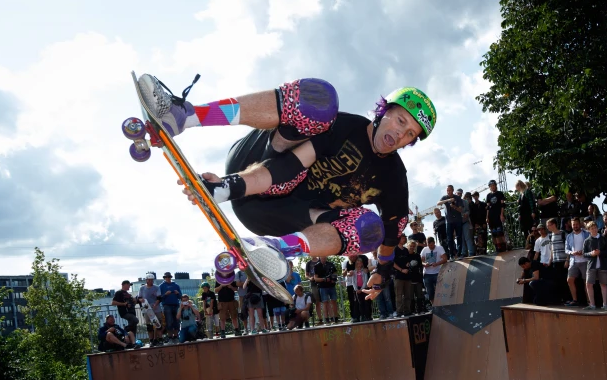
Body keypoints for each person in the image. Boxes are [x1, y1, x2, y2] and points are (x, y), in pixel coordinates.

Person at [142, 74, 437, 302]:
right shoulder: (344, 128)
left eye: (409, 134)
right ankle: (187, 115)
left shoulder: (394, 179)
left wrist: (382, 274)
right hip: (259, 163)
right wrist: (227, 188)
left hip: (274, 217)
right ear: (383, 111)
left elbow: (390, 237)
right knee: (320, 100)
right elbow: (287, 168)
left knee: (371, 229)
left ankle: (277, 248)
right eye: (399, 120)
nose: (399, 133)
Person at [583, 221, 607, 310]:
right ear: (588, 230)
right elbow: (584, 254)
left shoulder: (603, 238)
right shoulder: (587, 241)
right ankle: (592, 304)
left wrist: (600, 253)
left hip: (603, 265)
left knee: (603, 284)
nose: (594, 230)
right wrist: (591, 254)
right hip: (591, 265)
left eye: (595, 228)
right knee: (589, 284)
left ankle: (605, 304)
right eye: (591, 228)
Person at [564, 217, 590, 306]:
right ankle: (575, 300)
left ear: (580, 224)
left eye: (576, 224)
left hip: (585, 260)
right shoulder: (569, 236)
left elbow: (591, 245)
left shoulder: (587, 234)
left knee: (586, 281)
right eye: (573, 225)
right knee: (570, 280)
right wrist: (572, 252)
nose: (575, 226)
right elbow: (566, 250)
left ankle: (589, 301)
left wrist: (584, 252)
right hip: (573, 261)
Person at [437, 185, 463, 258]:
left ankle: (459, 253)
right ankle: (451, 254)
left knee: (459, 237)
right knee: (449, 238)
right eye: (447, 190)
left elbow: (461, 210)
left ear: (453, 190)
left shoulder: (457, 198)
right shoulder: (445, 197)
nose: (448, 192)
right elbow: (438, 203)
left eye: (450, 190)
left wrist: (454, 206)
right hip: (449, 221)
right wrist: (448, 200)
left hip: (458, 220)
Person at [420, 237, 447, 305]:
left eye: (431, 245)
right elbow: (421, 261)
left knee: (441, 290)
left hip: (438, 272)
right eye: (429, 245)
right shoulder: (424, 249)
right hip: (427, 274)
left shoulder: (439, 248)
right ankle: (434, 306)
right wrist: (424, 264)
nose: (430, 247)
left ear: (434, 243)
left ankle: (442, 304)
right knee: (430, 292)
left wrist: (437, 263)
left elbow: (445, 259)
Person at [137, 273, 162, 345]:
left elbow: (159, 298)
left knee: (158, 324)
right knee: (149, 325)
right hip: (147, 308)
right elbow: (139, 297)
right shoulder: (142, 288)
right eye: (150, 280)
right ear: (147, 280)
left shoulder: (156, 287)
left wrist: (156, 304)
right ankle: (151, 340)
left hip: (156, 308)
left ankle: (159, 339)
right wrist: (141, 300)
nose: (151, 281)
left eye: (152, 280)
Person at [313, 256, 339, 324]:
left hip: (331, 285)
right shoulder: (317, 266)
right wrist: (324, 279)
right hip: (322, 286)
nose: (323, 259)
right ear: (320, 258)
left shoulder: (331, 264)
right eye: (322, 257)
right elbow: (315, 278)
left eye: (324, 257)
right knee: (325, 302)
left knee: (334, 301)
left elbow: (335, 273)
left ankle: (336, 318)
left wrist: (333, 279)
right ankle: (326, 319)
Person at [485, 180, 507, 253]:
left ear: (495, 186)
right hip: (491, 216)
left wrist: (501, 214)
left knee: (500, 231)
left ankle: (504, 245)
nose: (492, 187)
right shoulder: (488, 195)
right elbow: (488, 207)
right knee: (494, 232)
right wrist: (487, 217)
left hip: (498, 215)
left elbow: (502, 205)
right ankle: (498, 247)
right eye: (491, 186)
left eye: (493, 185)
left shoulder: (500, 194)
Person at [392, 234, 412, 317]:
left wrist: (408, 264)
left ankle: (407, 311)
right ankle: (399, 311)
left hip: (407, 275)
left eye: (405, 238)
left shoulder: (406, 250)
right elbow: (392, 263)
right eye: (403, 238)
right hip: (398, 275)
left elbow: (408, 261)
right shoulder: (394, 249)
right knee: (399, 295)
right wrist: (401, 270)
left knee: (408, 295)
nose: (404, 239)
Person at [159, 272, 182, 341]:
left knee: (176, 321)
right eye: (167, 277)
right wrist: (165, 294)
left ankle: (176, 335)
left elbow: (181, 296)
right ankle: (170, 336)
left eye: (169, 277)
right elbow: (159, 298)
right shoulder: (161, 286)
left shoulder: (176, 285)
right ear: (164, 278)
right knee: (169, 321)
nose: (168, 278)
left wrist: (177, 293)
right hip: (167, 305)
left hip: (176, 305)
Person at [405, 241, 426, 313]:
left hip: (418, 278)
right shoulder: (405, 255)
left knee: (419, 295)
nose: (412, 247)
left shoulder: (417, 255)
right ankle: (412, 310)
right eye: (411, 246)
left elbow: (420, 266)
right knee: (410, 296)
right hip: (409, 279)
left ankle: (420, 309)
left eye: (413, 246)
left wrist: (421, 276)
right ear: (408, 246)